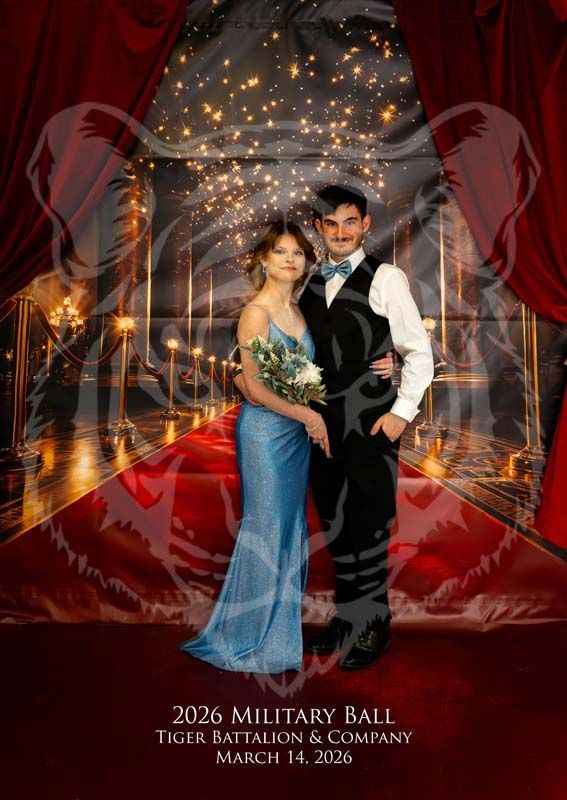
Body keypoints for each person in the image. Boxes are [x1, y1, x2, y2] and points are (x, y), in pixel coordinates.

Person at [179, 220, 327, 673]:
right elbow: (256, 388)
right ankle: (248, 637)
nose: (290, 259)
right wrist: (309, 416)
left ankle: (279, 635)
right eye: (280, 251)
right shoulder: (255, 314)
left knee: (288, 528)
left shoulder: (300, 312)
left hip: (294, 436)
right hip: (265, 434)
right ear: (264, 259)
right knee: (266, 529)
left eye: (298, 252)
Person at [296, 184, 434, 669]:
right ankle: (347, 620)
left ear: (366, 224)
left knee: (368, 526)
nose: (340, 232)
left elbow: (418, 350)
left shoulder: (387, 277)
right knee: (336, 526)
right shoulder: (308, 282)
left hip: (373, 425)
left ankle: (375, 624)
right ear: (318, 227)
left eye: (350, 222)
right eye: (331, 224)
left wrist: (400, 414)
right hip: (321, 427)